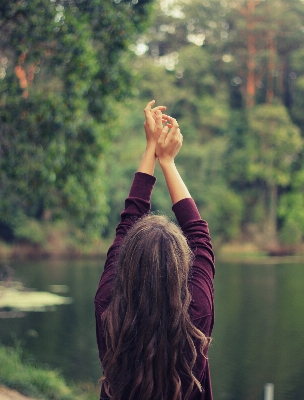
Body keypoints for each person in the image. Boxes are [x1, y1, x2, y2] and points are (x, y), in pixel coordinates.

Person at [94, 100, 215, 400]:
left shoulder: (109, 308)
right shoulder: (196, 312)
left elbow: (127, 224)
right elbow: (199, 235)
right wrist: (167, 161)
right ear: (181, 265)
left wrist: (151, 149)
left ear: (127, 262)